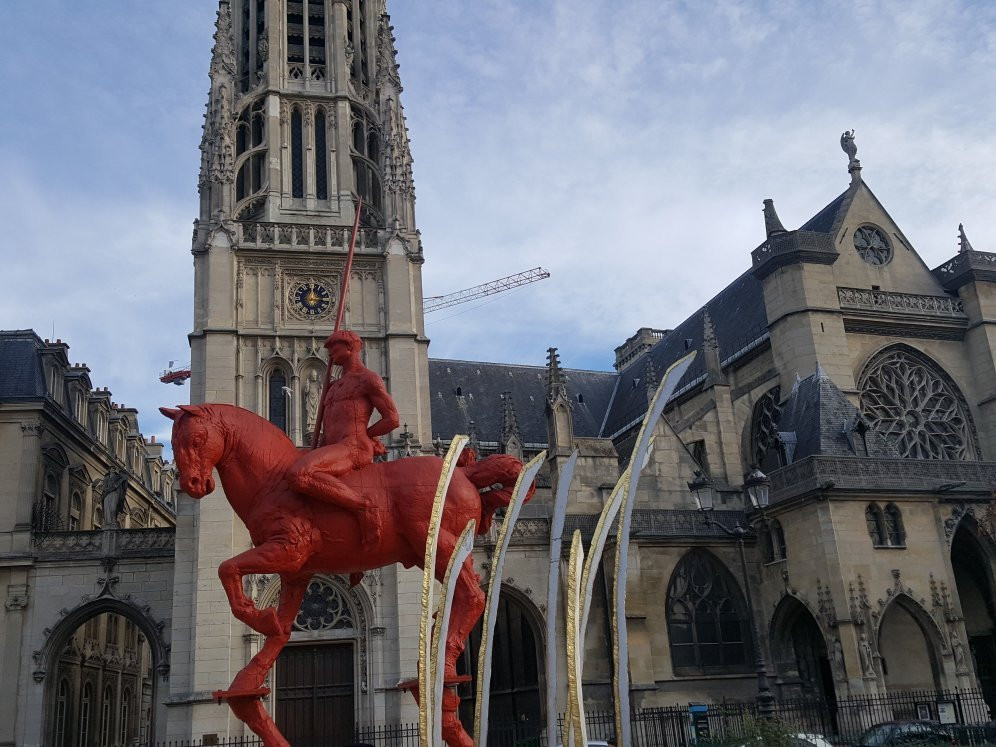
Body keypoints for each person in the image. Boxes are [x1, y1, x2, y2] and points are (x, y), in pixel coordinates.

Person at [288, 330, 400, 551]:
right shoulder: (332, 387)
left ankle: (364, 508)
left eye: (334, 348)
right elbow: (330, 425)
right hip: (333, 447)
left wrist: (365, 435)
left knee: (299, 474)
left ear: (350, 348)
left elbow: (392, 419)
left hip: (353, 447)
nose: (329, 353)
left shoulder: (368, 379)